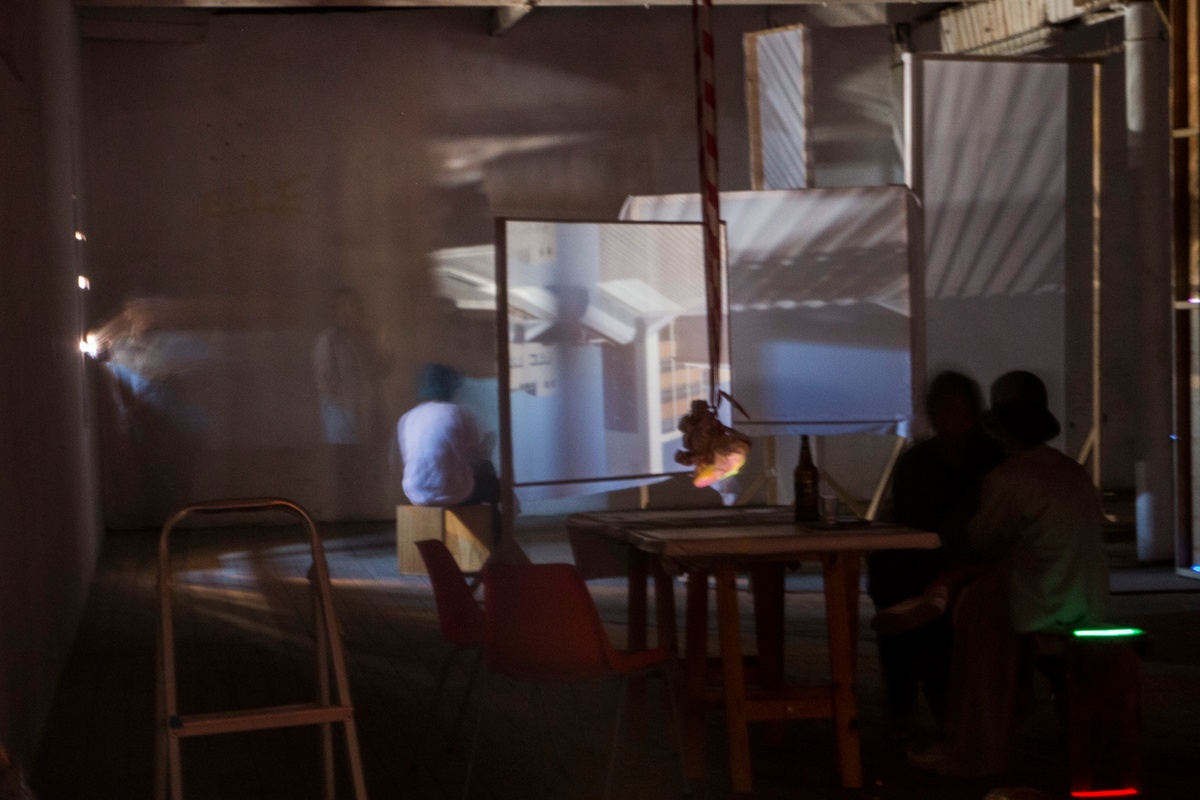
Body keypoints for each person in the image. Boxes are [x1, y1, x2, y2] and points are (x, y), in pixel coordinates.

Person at [902, 370, 1109, 776]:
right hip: (1091, 598)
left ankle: (973, 742)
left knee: (975, 613)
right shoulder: (1073, 471)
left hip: (1042, 599)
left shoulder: (1006, 477)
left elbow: (983, 540)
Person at [868, 371, 1005, 730]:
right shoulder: (917, 462)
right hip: (926, 561)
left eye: (959, 408)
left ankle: (934, 695)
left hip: (973, 563)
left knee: (933, 603)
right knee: (894, 587)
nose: (952, 417)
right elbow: (907, 520)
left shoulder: (992, 460)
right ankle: (904, 695)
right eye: (944, 408)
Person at [396, 363, 497, 507]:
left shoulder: (407, 418)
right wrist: (488, 442)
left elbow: (401, 462)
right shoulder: (459, 413)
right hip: (454, 493)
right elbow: (478, 459)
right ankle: (495, 526)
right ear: (451, 388)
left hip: (415, 493)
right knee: (489, 474)